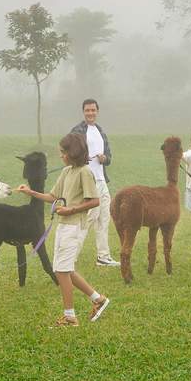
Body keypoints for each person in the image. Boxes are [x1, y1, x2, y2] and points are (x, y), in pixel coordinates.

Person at [17, 132, 111, 327]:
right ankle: (98, 299)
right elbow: (53, 197)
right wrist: (31, 192)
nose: (61, 155)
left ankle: (70, 317)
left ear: (73, 152)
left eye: (63, 152)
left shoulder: (85, 172)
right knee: (64, 269)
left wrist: (71, 209)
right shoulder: (67, 171)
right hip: (63, 225)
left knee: (62, 270)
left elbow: (95, 201)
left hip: (74, 226)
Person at [70, 98, 118, 267]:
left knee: (104, 219)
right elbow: (69, 153)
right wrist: (82, 158)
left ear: (97, 111)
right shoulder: (77, 131)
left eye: (93, 110)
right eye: (87, 110)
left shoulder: (100, 131)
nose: (90, 113)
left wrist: (104, 158)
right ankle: (70, 258)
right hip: (87, 181)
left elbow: (109, 157)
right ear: (83, 112)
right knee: (88, 219)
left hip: (101, 180)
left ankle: (103, 257)